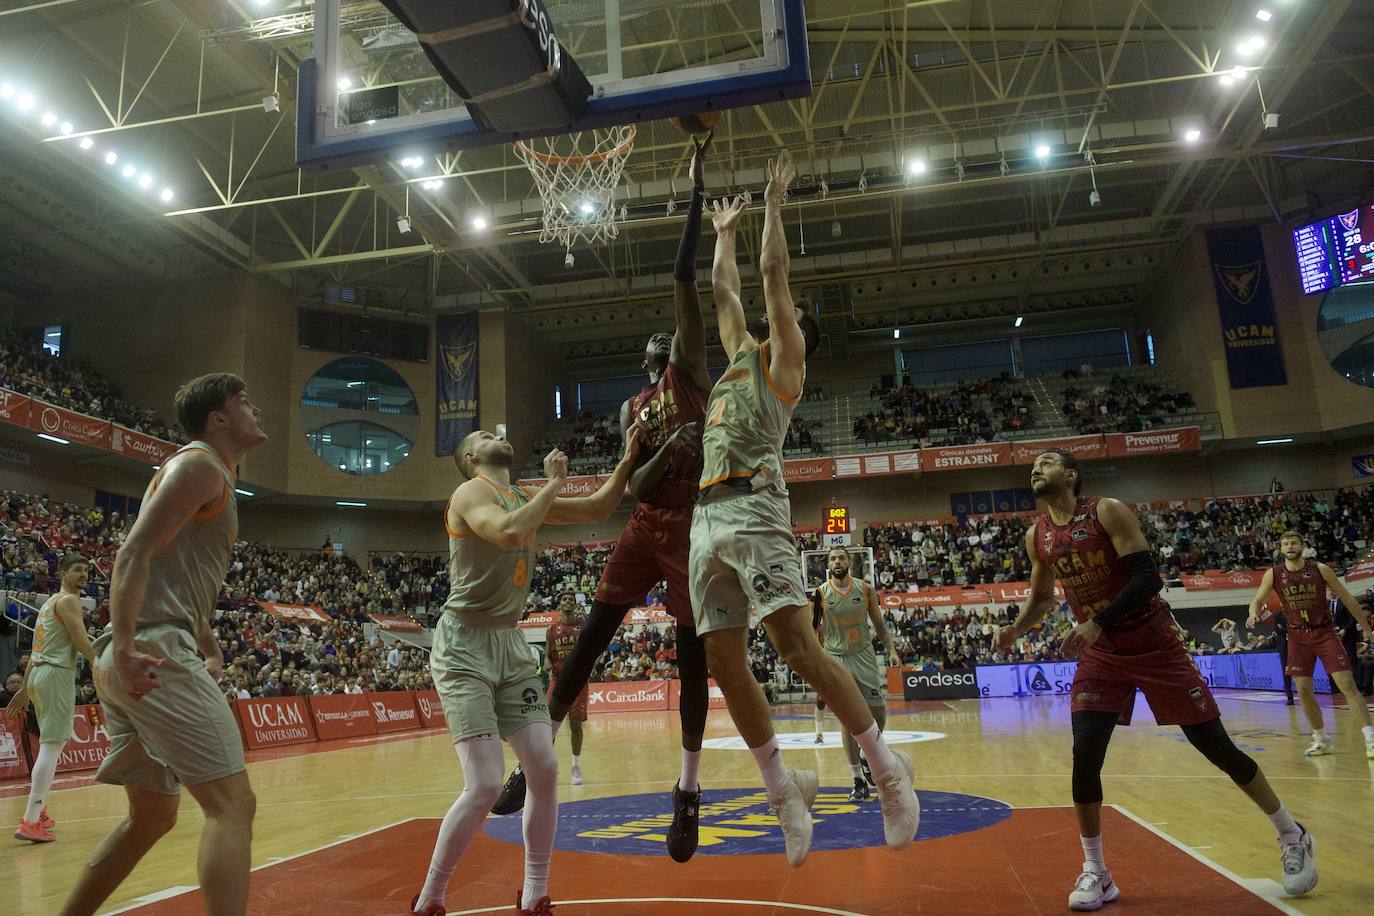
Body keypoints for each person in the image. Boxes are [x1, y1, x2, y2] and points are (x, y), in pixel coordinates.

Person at [490, 136, 716, 865]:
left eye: (672, 335)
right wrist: (667, 452)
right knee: (590, 638)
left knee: (692, 659)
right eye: (659, 342)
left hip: (693, 526)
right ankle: (534, 763)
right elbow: (635, 487)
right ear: (645, 361)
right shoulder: (633, 409)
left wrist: (695, 190)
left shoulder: (691, 374)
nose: (666, 337)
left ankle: (688, 790)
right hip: (647, 521)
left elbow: (683, 275)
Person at [688, 158, 918, 870]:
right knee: (723, 662)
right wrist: (723, 233)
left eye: (786, 319)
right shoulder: (737, 357)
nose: (774, 318)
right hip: (706, 516)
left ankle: (887, 772)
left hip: (756, 507)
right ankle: (783, 791)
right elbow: (725, 292)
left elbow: (770, 276)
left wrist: (772, 205)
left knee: (797, 650)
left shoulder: (785, 364)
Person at [997, 450, 1317, 909]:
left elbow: (1149, 578)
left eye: (1046, 462)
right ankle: (1097, 871)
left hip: (1153, 642)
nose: (1035, 468)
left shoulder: (1106, 511)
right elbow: (1044, 597)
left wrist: (1098, 621)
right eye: (1034, 464)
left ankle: (1291, 832)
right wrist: (1015, 629)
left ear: (1070, 475)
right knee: (1085, 753)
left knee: (1216, 746)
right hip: (1103, 653)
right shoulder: (1037, 535)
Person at [410, 427, 639, 916]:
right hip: (463, 644)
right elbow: (509, 532)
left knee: (545, 768)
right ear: (471, 456)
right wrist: (554, 485)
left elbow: (599, 508)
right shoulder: (470, 492)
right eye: (481, 435)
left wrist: (628, 457)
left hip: (509, 642)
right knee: (486, 785)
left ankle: (534, 892)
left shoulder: (522, 496)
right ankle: (430, 896)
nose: (494, 434)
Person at [63, 373, 268, 916]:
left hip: (138, 651)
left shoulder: (208, 471)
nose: (256, 411)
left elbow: (174, 576)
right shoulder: (200, 466)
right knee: (233, 806)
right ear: (218, 419)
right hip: (150, 653)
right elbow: (133, 554)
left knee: (152, 816)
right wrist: (129, 644)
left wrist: (207, 641)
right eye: (244, 402)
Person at [1245, 530, 1374, 759]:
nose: (1290, 546)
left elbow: (1346, 597)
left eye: (1294, 542)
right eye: (1285, 544)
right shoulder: (1273, 574)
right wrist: (1253, 613)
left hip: (1324, 632)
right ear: (1280, 549)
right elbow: (1257, 600)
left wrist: (1365, 626)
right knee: (1303, 689)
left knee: (1347, 684)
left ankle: (1370, 738)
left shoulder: (1320, 569)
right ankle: (1321, 739)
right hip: (1297, 636)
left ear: (1302, 545)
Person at [8, 553, 96, 842]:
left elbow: (36, 650)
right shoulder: (69, 601)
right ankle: (31, 820)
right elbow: (81, 642)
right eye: (77, 570)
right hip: (56, 674)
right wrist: (105, 666)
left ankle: (39, 809)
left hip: (39, 674)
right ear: (62, 574)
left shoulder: (49, 603)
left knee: (50, 744)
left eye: (86, 571)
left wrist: (25, 689)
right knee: (52, 746)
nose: (83, 575)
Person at [811, 547, 901, 801]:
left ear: (850, 562)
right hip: (835, 658)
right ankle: (857, 780)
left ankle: (864, 754)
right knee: (847, 719)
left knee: (878, 712)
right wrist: (817, 663)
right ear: (828, 565)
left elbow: (880, 626)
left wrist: (892, 650)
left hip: (863, 654)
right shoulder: (820, 594)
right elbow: (811, 631)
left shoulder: (865, 589)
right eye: (832, 559)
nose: (837, 561)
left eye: (841, 557)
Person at [544, 593, 589, 785]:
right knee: (548, 725)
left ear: (576, 605)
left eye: (571, 599)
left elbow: (593, 649)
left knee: (576, 724)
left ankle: (575, 766)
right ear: (559, 604)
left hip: (578, 680)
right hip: (557, 679)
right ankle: (547, 766)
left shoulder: (583, 627)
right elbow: (547, 655)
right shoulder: (551, 630)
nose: (568, 601)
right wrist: (547, 662)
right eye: (564, 599)